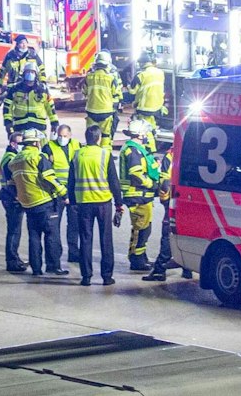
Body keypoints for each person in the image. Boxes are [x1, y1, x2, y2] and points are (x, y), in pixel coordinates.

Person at [67, 124, 123, 286]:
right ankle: (106, 276)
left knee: (85, 239)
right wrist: (119, 204)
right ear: (98, 138)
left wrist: (72, 201)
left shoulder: (77, 155)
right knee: (106, 239)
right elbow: (114, 181)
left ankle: (86, 276)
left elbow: (71, 181)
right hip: (103, 203)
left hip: (83, 203)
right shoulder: (105, 155)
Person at [10, 130, 66, 276]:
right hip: (44, 202)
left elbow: (12, 182)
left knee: (34, 236)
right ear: (36, 142)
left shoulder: (15, 160)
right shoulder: (38, 157)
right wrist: (63, 192)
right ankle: (53, 266)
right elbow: (49, 177)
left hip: (28, 204)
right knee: (51, 235)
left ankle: (36, 268)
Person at [117, 119, 163, 273]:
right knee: (141, 229)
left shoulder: (137, 148)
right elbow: (136, 173)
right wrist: (150, 184)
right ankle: (136, 259)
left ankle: (140, 256)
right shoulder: (133, 150)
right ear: (141, 133)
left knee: (145, 228)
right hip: (137, 195)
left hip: (142, 196)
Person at [142, 147, 191, 281]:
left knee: (168, 234)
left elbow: (165, 182)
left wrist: (164, 201)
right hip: (191, 199)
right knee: (185, 233)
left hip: (174, 200)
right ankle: (187, 268)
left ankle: (159, 269)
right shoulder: (196, 150)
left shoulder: (171, 155)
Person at [45, 121, 78, 260]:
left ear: (70, 135)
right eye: (59, 135)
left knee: (74, 225)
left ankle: (74, 253)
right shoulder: (49, 147)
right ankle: (54, 257)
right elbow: (47, 171)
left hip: (73, 192)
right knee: (54, 227)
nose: (62, 138)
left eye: (64, 135)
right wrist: (61, 191)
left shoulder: (76, 145)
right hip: (56, 192)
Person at [0, 131, 25, 272]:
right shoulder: (11, 158)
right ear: (12, 143)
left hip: (8, 196)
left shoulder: (10, 155)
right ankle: (12, 260)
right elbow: (12, 180)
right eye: (20, 143)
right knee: (14, 231)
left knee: (14, 230)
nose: (22, 146)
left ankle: (14, 258)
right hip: (12, 197)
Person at [4, 63, 52, 137]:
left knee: (44, 148)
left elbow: (50, 107)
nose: (30, 74)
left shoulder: (43, 89)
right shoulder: (15, 89)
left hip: (39, 129)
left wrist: (55, 123)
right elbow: (7, 107)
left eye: (32, 72)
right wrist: (8, 123)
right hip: (20, 128)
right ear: (23, 73)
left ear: (36, 74)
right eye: (28, 72)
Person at [83, 51, 121, 144]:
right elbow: (116, 93)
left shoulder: (89, 77)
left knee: (91, 136)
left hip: (91, 111)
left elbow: (84, 92)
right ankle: (105, 155)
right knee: (105, 135)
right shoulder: (111, 78)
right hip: (106, 112)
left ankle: (91, 154)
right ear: (107, 64)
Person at [132, 54, 167, 133]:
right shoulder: (160, 72)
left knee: (144, 130)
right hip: (157, 107)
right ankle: (152, 141)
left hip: (144, 108)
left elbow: (133, 91)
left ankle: (147, 144)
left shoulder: (140, 75)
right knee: (152, 127)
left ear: (142, 63)